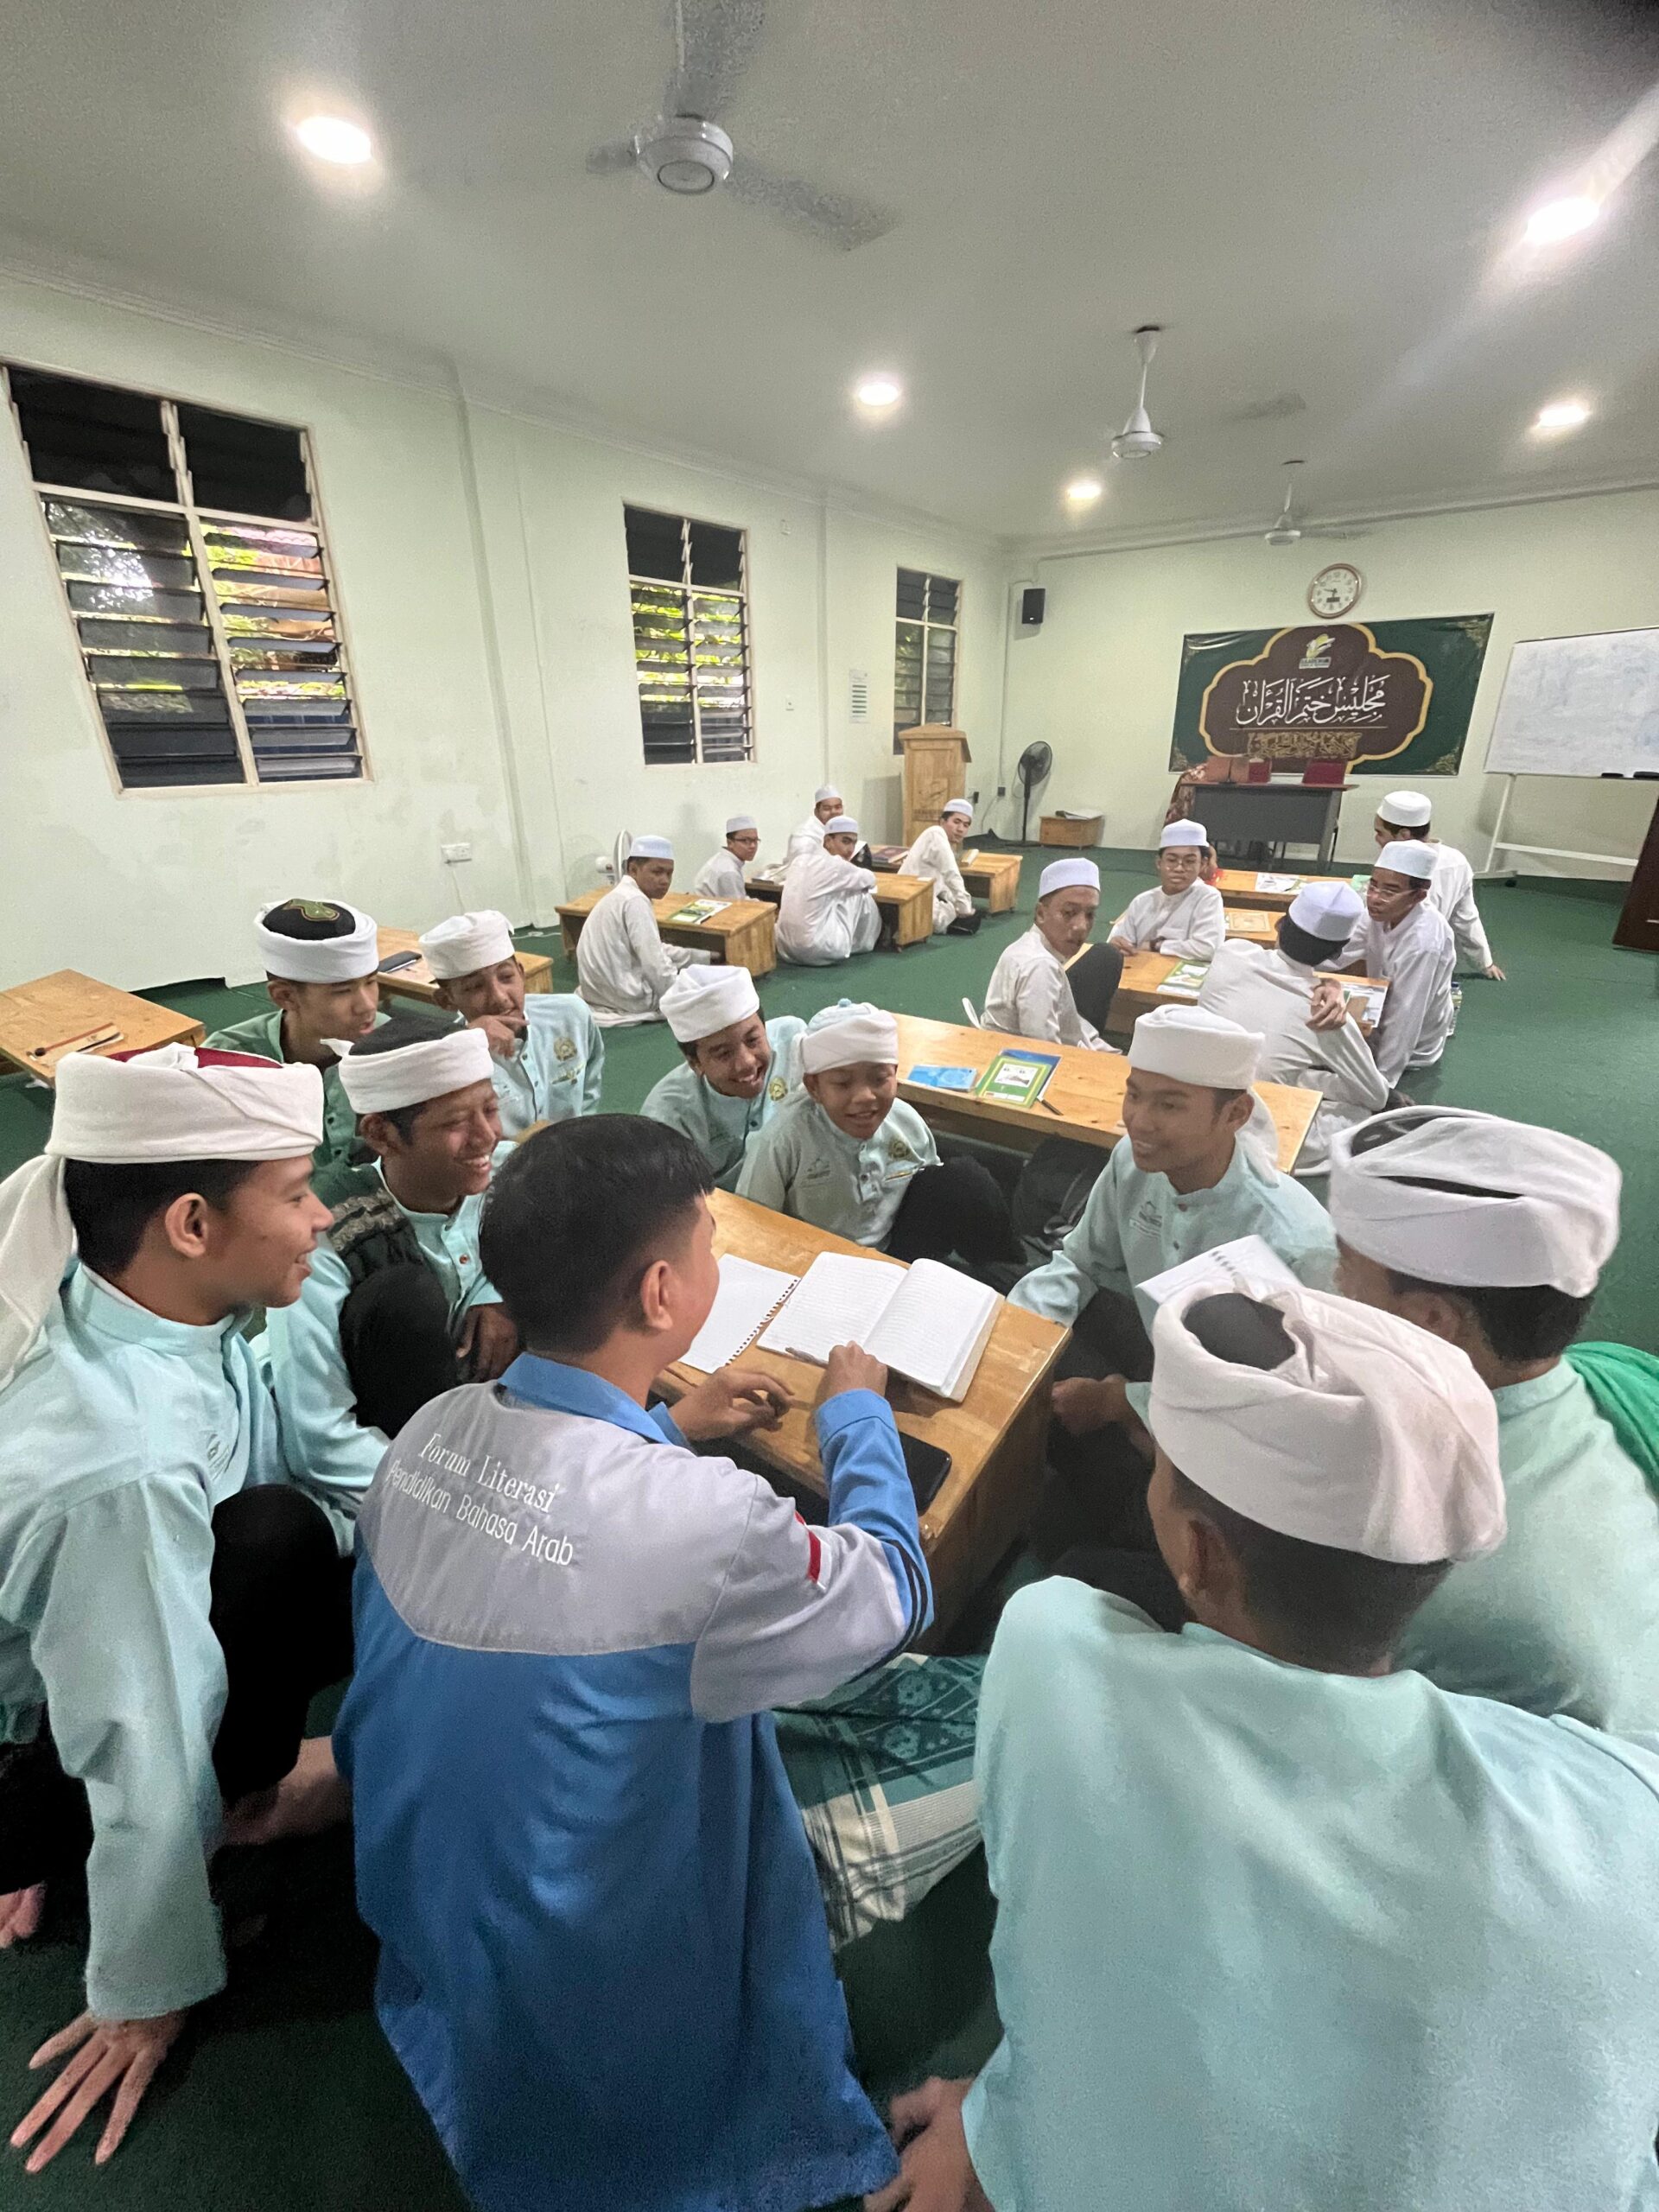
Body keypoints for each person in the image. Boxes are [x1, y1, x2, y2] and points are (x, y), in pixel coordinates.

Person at [874, 1282, 1659, 2212]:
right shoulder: (1620, 1814)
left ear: (1200, 1553)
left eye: (1161, 1470)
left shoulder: (1053, 1654)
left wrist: (1003, 2126)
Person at [334, 1114, 933, 2212]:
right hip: (599, 1979)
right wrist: (857, 1417)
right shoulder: (708, 1522)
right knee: (949, 1704)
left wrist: (664, 1422)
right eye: (708, 1243)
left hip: (431, 1923)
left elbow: (558, 1518)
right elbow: (894, 1589)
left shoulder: (431, 1429)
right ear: (661, 1293)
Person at [0, 1046, 354, 2173]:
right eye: (294, 1192)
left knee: (278, 1536)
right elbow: (136, 1727)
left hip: (45, 1678)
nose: (321, 1214)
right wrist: (145, 1985)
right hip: (36, 1743)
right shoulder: (126, 1461)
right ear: (191, 1224)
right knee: (281, 1541)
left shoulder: (98, 1282)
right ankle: (242, 1809)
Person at [1329, 1105, 1659, 1732]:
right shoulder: (1607, 1375)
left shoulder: (1424, 1563)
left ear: (1431, 1320)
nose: (1334, 1284)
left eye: (1345, 1267)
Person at [1009, 1006, 1336, 1446]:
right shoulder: (1132, 1162)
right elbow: (1081, 1262)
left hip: (1242, 1424)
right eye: (1134, 1095)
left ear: (1236, 1114)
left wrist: (1120, 1402)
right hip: (1160, 1350)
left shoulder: (1296, 1241)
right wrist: (1014, 1340)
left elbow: (1294, 1398)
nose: (1139, 1121)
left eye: (1169, 1105)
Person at [266, 1017, 517, 1523]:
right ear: (382, 1135)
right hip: (385, 1452)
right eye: (456, 1123)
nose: (487, 1136)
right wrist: (458, 1503)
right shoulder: (321, 1236)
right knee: (404, 1300)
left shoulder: (512, 1176)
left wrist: (500, 1290)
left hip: (469, 1423)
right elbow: (320, 1439)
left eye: (490, 1109)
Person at [738, 1005, 1015, 1267]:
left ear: (895, 1074)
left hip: (892, 1251)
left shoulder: (906, 1123)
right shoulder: (783, 1140)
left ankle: (1007, 1276)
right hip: (814, 1263)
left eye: (879, 1078)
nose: (865, 1097)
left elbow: (929, 1192)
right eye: (843, 1083)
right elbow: (752, 1223)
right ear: (814, 1087)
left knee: (964, 1182)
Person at [1198, 880, 1388, 1173]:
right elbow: (1376, 1095)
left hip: (1196, 1100)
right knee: (1362, 1112)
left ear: (1279, 924)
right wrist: (1331, 984)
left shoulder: (1230, 953)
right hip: (1252, 1128)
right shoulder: (1325, 1014)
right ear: (1336, 954)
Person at [206, 896, 384, 1168]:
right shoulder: (228, 1062)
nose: (368, 1005)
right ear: (285, 996)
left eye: (371, 982)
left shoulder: (395, 1042)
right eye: (342, 991)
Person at [419, 909, 601, 1138]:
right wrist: (468, 1043)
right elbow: (456, 1145)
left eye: (506, 977)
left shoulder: (570, 1015)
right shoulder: (449, 1062)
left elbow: (590, 1088)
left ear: (522, 974)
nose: (499, 997)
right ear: (446, 1000)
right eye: (475, 987)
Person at [640, 964, 806, 1190]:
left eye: (753, 1040)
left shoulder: (794, 1042)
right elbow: (675, 1200)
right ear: (695, 1063)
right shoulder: (669, 1117)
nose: (747, 1063)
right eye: (724, 1054)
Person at [1323, 844, 1456, 1088]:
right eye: (1373, 886)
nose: (1375, 898)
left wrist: (1381, 1083)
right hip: (1379, 1008)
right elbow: (1339, 954)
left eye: (1390, 891)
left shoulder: (1424, 943)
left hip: (1416, 1041)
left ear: (1418, 896)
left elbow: (1406, 1016)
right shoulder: (1376, 915)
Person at [982, 858, 1120, 1051]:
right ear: (1040, 913)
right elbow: (1044, 1052)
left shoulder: (1029, 948)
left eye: (1090, 914)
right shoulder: (1040, 966)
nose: (1081, 926)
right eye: (1069, 912)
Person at [575, 835, 710, 1025]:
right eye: (657, 872)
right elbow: (654, 963)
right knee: (702, 988)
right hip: (627, 999)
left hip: (595, 993)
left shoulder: (619, 896)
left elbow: (655, 949)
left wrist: (703, 957)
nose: (665, 880)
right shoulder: (636, 901)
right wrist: (681, 1001)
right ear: (633, 869)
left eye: (669, 874)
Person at [1375, 787, 1503, 979]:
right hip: (1433, 960)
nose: (1376, 839)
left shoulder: (1398, 869)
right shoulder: (1457, 861)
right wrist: (1485, 962)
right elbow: (1466, 917)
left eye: (1380, 833)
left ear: (1404, 835)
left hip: (1395, 964)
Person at [1108, 821, 1225, 960]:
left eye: (1189, 861)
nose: (1179, 868)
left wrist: (1155, 945)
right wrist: (1118, 946)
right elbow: (1122, 943)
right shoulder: (1142, 901)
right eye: (1172, 860)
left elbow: (1208, 949)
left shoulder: (1208, 897)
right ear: (1159, 863)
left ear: (1202, 864)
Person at [776, 815, 881, 966]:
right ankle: (866, 943)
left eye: (853, 843)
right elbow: (870, 879)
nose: (850, 849)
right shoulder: (835, 865)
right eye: (845, 841)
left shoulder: (799, 861)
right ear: (827, 841)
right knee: (859, 893)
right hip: (818, 949)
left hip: (785, 949)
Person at [900, 798, 979, 937]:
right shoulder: (936, 834)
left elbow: (943, 885)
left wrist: (958, 903)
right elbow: (952, 874)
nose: (960, 829)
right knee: (960, 917)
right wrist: (965, 908)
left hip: (921, 896)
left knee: (962, 911)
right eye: (956, 822)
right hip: (909, 898)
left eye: (966, 825)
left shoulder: (942, 840)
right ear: (943, 821)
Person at [694, 815, 760, 901]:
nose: (753, 846)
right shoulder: (728, 871)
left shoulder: (723, 859)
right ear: (730, 843)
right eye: (746, 841)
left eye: (755, 840)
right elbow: (738, 906)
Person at [785, 784, 845, 868]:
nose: (833, 812)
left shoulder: (841, 829)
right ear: (816, 812)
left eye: (838, 807)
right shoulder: (804, 833)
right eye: (827, 808)